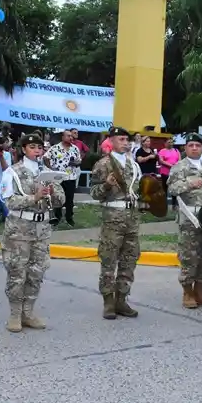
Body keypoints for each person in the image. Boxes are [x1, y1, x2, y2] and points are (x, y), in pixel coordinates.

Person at [0, 132, 64, 332]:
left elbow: (61, 200)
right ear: (24, 150)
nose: (37, 151)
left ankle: (28, 312)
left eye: (39, 147)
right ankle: (15, 314)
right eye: (32, 147)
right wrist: (34, 198)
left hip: (41, 229)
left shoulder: (47, 172)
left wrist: (52, 193)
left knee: (36, 272)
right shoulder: (13, 172)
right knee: (17, 272)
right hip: (19, 228)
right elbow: (8, 200)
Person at [89, 126, 141, 320]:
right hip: (113, 218)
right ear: (110, 141)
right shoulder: (103, 164)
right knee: (109, 260)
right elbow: (94, 192)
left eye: (127, 140)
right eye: (120, 139)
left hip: (132, 218)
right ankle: (108, 301)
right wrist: (107, 185)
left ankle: (122, 298)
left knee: (129, 259)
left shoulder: (133, 165)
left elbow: (138, 191)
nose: (125, 143)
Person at [166, 133, 202, 309]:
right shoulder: (179, 168)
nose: (194, 148)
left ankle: (200, 292)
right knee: (189, 256)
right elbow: (172, 189)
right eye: (191, 145)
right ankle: (187, 293)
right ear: (185, 148)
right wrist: (189, 184)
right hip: (190, 218)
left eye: (198, 145)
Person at [43, 129, 81, 227]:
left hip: (70, 177)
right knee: (58, 198)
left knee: (69, 199)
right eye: (68, 136)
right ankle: (57, 217)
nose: (71, 137)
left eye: (71, 136)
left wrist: (76, 163)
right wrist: (51, 168)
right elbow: (45, 157)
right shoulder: (55, 148)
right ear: (63, 137)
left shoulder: (75, 148)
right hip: (58, 178)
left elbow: (79, 160)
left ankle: (69, 218)